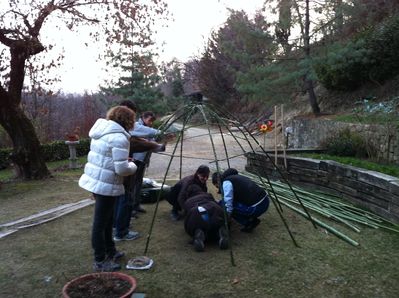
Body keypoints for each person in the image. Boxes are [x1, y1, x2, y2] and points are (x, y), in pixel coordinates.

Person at [79, 106, 137, 272]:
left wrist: (123, 161)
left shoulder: (102, 130)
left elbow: (107, 157)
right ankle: (100, 260)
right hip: (105, 184)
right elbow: (122, 170)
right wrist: (132, 165)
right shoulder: (119, 138)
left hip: (98, 181)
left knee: (107, 220)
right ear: (128, 120)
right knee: (100, 223)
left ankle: (111, 251)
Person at [113, 101, 165, 242]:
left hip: (126, 165)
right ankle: (120, 230)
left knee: (127, 193)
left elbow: (140, 142)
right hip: (128, 166)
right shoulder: (123, 130)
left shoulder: (118, 129)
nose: (132, 118)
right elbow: (139, 142)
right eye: (130, 114)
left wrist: (158, 146)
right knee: (125, 195)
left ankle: (120, 224)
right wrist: (161, 136)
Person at [130, 111, 166, 215]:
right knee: (132, 185)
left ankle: (136, 205)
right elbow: (149, 132)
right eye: (149, 120)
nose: (151, 123)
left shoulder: (147, 130)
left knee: (138, 183)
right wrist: (161, 133)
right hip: (135, 160)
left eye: (152, 121)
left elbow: (151, 146)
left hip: (143, 161)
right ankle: (131, 208)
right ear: (143, 117)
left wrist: (162, 145)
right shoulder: (137, 126)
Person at [212, 168, 270, 232]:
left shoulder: (226, 182)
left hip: (257, 206)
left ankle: (249, 222)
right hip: (265, 201)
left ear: (217, 182)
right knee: (228, 204)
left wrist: (227, 215)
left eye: (217, 186)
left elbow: (228, 201)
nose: (218, 188)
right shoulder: (234, 177)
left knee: (226, 206)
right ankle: (251, 219)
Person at [183, 185, 228, 252]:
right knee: (219, 221)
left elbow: (186, 216)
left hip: (197, 211)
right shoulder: (208, 195)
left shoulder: (188, 201)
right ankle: (220, 230)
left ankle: (198, 232)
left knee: (195, 223)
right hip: (214, 208)